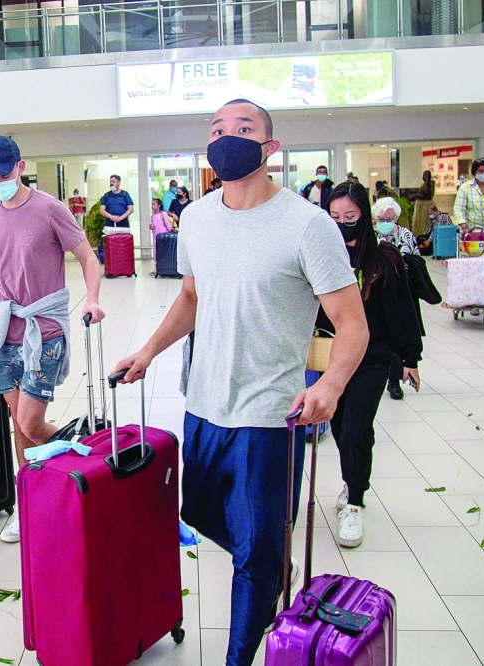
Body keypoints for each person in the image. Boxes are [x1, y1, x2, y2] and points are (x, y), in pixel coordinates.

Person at [111, 100, 368, 666]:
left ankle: (242, 649)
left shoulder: (308, 224)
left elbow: (353, 324)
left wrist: (330, 385)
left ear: (270, 149)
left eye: (244, 130)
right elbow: (191, 298)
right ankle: (272, 559)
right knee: (201, 517)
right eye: (218, 130)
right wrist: (149, 351)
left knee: (251, 557)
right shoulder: (198, 217)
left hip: (269, 416)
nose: (228, 139)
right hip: (203, 405)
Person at [0, 134, 105, 545]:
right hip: (6, 332)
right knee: (18, 427)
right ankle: (30, 507)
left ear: (21, 167)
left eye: (3, 174)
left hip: (44, 331)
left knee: (30, 423)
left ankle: (85, 461)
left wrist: (92, 299)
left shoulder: (49, 209)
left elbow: (88, 258)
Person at [320, 182, 422, 548]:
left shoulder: (382, 259)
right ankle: (353, 480)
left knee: (357, 427)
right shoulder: (321, 256)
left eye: (350, 217)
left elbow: (401, 310)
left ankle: (356, 502)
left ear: (364, 215)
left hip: (372, 357)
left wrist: (410, 358)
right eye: (334, 217)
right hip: (331, 358)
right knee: (340, 425)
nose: (342, 224)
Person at [371, 197, 420, 401]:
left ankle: (395, 380)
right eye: (382, 218)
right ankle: (386, 376)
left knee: (400, 334)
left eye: (390, 218)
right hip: (377, 293)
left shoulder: (405, 235)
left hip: (402, 292)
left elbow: (416, 260)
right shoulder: (370, 236)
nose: (386, 221)